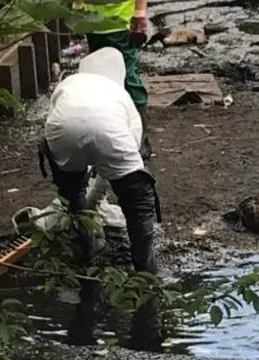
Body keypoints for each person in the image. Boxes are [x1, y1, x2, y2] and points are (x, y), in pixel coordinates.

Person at [38, 46, 164, 348]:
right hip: (112, 132)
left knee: (72, 193)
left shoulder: (70, 84)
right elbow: (118, 171)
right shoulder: (122, 99)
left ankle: (85, 249)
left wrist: (88, 198)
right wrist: (101, 194)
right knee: (138, 203)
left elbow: (62, 121)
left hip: (60, 129)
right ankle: (146, 273)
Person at [81, 0, 153, 163]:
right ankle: (106, 136)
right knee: (101, 80)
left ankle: (140, 140)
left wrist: (139, 13)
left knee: (127, 79)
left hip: (120, 25)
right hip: (93, 24)